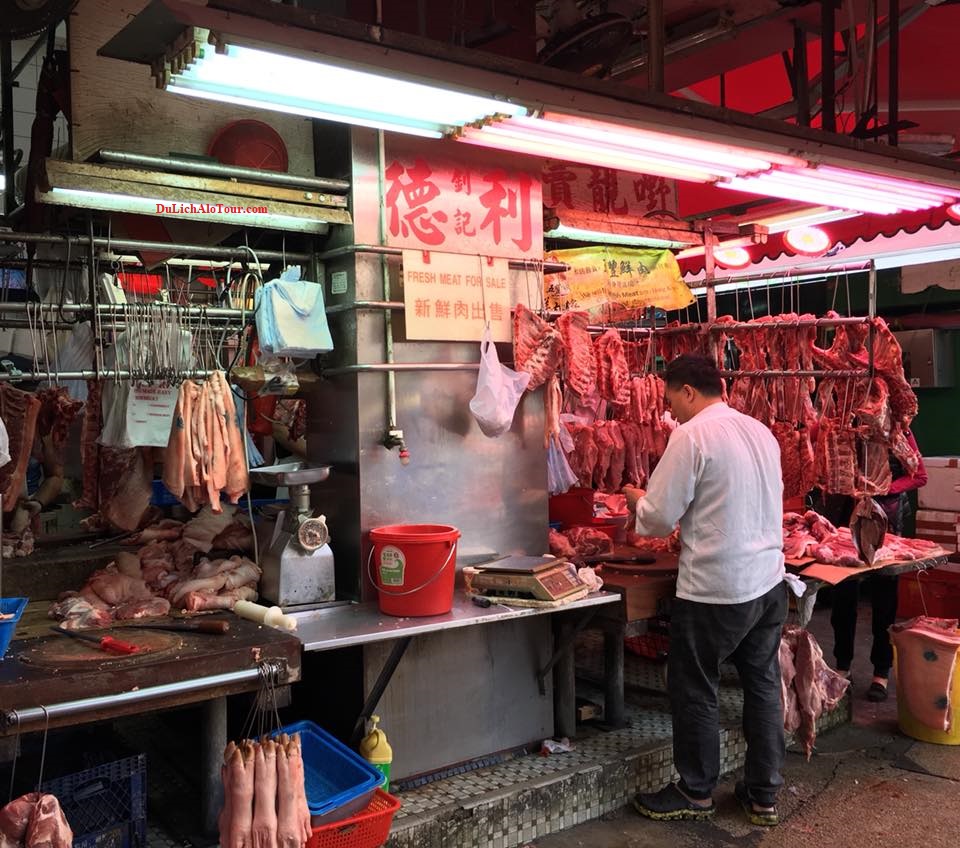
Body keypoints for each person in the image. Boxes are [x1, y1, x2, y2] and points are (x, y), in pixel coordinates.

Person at [624, 353, 787, 827]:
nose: (669, 409)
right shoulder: (759, 431)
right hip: (768, 582)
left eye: (671, 399)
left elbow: (658, 517)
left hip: (718, 586)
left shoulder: (692, 435)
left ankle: (695, 791)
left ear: (689, 392)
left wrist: (636, 500)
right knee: (762, 684)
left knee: (694, 684)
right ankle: (763, 794)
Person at [822, 432, 928, 702]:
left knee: (884, 600)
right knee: (843, 597)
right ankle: (842, 666)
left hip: (885, 522)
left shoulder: (897, 431)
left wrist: (882, 488)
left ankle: (881, 672)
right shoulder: (842, 426)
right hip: (844, 521)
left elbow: (919, 475)